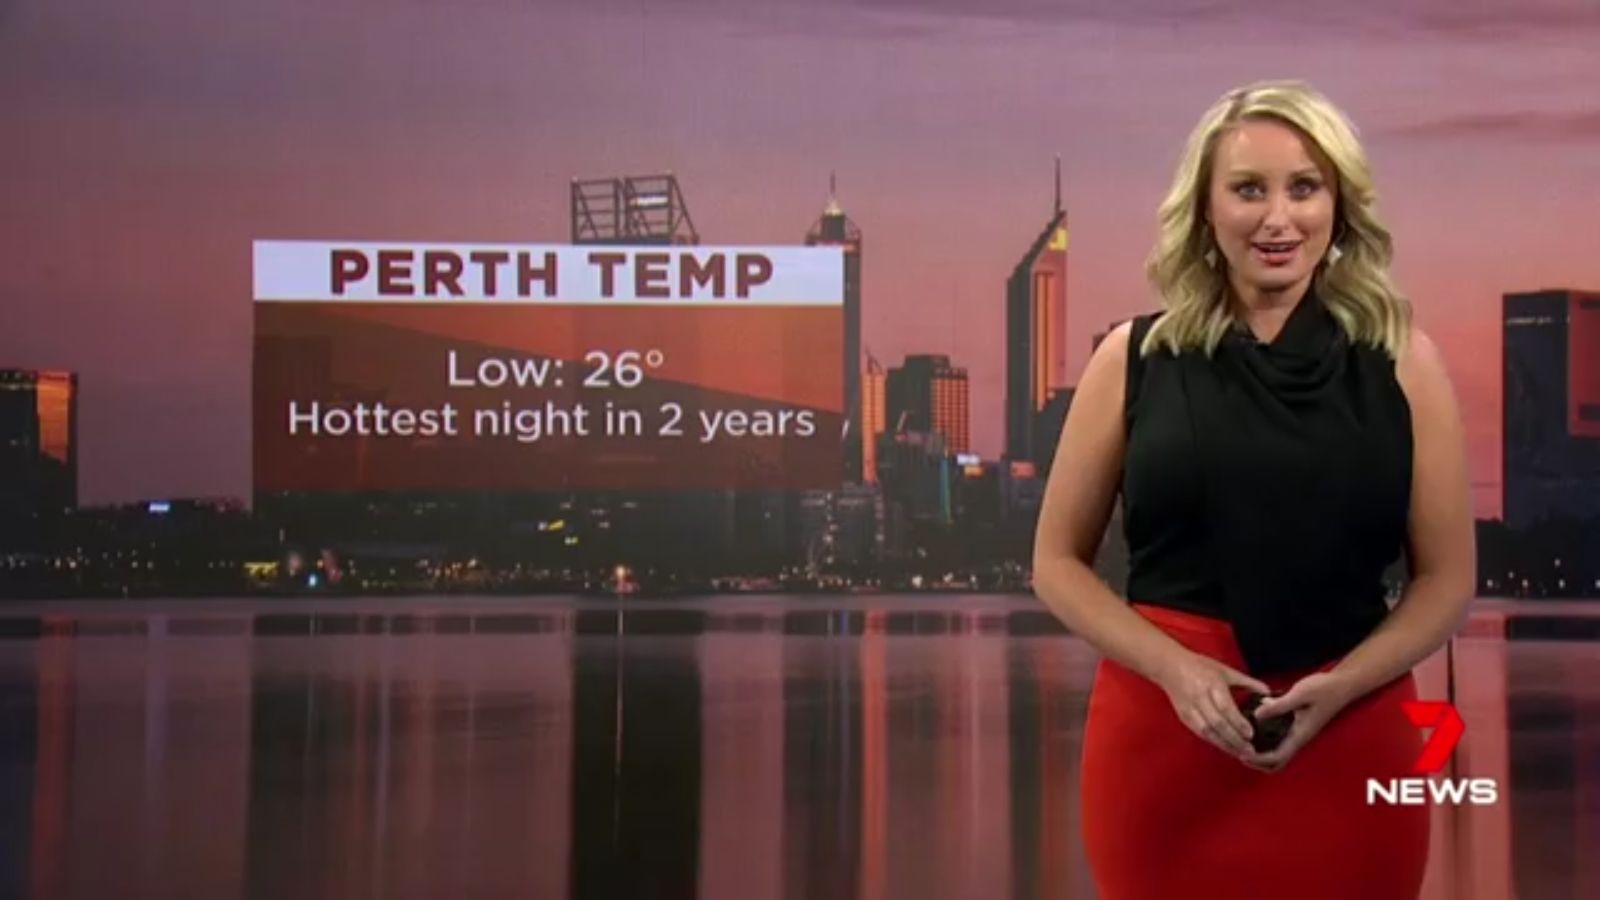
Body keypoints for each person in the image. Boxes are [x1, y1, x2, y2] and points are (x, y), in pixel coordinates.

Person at [1032, 79, 1475, 899]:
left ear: (1339, 205)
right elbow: (1055, 564)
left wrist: (1342, 687)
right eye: (1248, 190)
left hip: (1352, 728)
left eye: (1304, 188)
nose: (1278, 218)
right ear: (1205, 211)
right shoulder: (1132, 359)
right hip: (1165, 737)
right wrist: (1177, 672)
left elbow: (1446, 580)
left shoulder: (1405, 364)